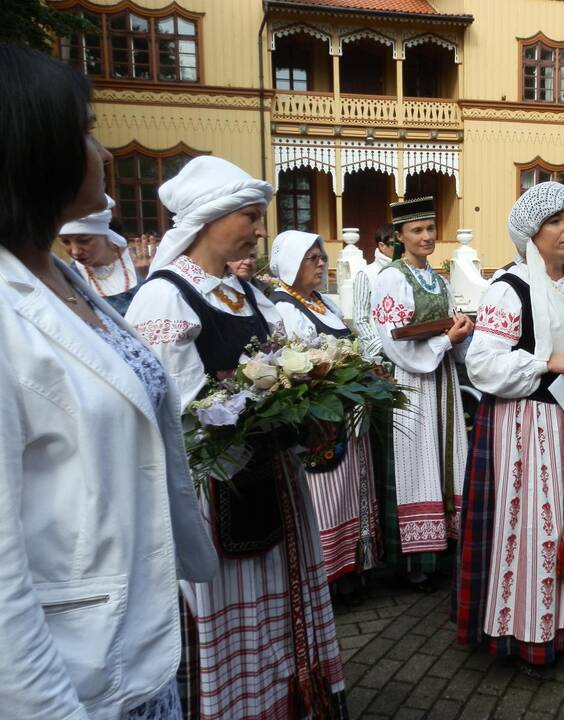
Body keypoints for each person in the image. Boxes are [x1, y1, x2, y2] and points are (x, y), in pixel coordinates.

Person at [0, 43, 215, 720]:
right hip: (74, 681)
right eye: (88, 131)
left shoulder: (62, 281)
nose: (105, 152)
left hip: (140, 648)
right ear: (35, 147)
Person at [126, 156, 346, 719]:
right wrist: (263, 404)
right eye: (249, 215)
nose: (257, 228)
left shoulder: (246, 293)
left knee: (279, 603)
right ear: (209, 218)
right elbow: (180, 409)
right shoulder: (165, 297)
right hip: (218, 484)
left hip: (272, 477)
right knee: (238, 610)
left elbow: (281, 363)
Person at [454, 181, 564, 676]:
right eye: (554, 222)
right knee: (535, 526)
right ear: (530, 234)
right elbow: (484, 364)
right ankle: (527, 633)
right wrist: (545, 363)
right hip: (526, 424)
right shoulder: (509, 287)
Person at [269, 230, 380, 595]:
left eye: (321, 258)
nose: (321, 264)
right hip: (318, 426)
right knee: (325, 499)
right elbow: (292, 366)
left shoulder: (324, 302)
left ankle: (351, 565)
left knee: (348, 493)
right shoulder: (283, 307)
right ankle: (326, 575)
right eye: (311, 258)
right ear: (291, 265)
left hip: (345, 419)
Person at [371, 196, 472, 590]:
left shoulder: (438, 278)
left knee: (444, 455)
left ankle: (442, 549)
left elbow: (450, 331)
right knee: (419, 462)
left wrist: (463, 334)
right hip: (413, 381)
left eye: (430, 228)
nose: (427, 236)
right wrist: (446, 341)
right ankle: (415, 563)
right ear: (399, 236)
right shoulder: (391, 279)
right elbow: (394, 343)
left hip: (442, 378)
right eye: (417, 230)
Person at [58, 195, 144, 314]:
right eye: (65, 242)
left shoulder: (140, 260)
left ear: (105, 234)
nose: (75, 252)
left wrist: (148, 277)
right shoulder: (70, 277)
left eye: (84, 240)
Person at [353, 223, 395, 360]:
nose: (401, 249)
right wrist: (380, 347)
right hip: (380, 355)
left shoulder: (408, 271)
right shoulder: (366, 274)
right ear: (382, 246)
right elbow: (360, 319)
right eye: (394, 244)